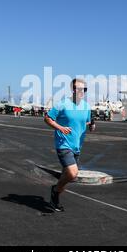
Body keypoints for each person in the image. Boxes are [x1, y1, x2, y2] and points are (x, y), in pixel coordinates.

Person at [44, 78, 95, 212]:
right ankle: (55, 190)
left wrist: (92, 125)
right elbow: (47, 118)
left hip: (77, 146)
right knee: (72, 174)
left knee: (66, 174)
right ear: (72, 90)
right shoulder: (63, 104)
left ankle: (55, 199)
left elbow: (87, 122)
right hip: (63, 144)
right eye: (79, 89)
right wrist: (60, 128)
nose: (82, 92)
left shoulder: (86, 107)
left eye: (84, 89)